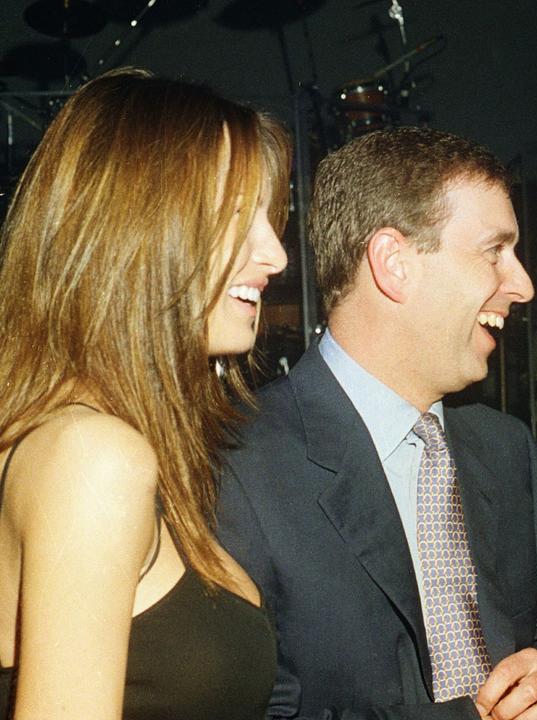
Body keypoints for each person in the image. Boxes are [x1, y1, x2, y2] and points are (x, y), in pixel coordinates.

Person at [217, 126, 537, 720]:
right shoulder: (236, 461)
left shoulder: (505, 448)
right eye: (494, 251)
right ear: (394, 263)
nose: (522, 285)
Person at [0, 68, 290, 719]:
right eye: (240, 215)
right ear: (140, 226)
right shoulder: (92, 457)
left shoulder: (95, 444)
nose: (274, 254)